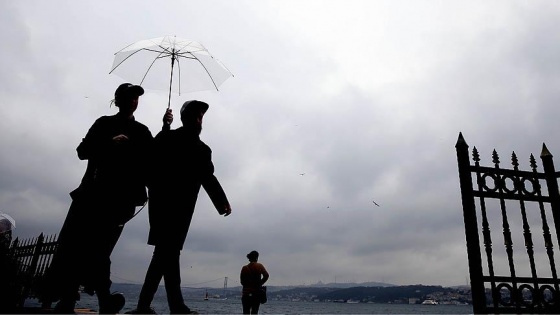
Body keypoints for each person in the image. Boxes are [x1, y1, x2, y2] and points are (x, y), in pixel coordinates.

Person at [44, 83, 173, 314]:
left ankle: (93, 300)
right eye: (130, 96)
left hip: (120, 201)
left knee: (100, 250)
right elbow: (82, 151)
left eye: (136, 97)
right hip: (92, 196)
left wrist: (165, 127)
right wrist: (109, 143)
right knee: (77, 247)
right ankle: (86, 300)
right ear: (118, 99)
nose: (134, 100)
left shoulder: (142, 132)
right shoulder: (103, 123)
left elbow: (154, 157)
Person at [126, 100, 232, 315]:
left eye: (201, 116)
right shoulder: (178, 140)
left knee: (166, 255)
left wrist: (221, 201)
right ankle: (164, 307)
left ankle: (155, 306)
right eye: (197, 115)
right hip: (168, 207)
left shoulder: (198, 148)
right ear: (186, 118)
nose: (200, 120)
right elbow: (150, 158)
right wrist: (165, 127)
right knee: (167, 253)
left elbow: (207, 177)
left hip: (173, 208)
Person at [240, 250, 269, 314]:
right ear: (256, 258)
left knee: (245, 312)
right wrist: (260, 283)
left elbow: (242, 282)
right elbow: (266, 275)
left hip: (246, 294)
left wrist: (248, 285)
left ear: (249, 258)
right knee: (254, 312)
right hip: (256, 293)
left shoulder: (244, 268)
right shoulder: (259, 266)